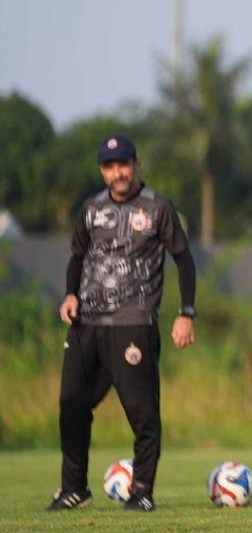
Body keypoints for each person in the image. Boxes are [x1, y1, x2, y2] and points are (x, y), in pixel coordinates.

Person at [50, 135, 196, 512]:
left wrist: (186, 313)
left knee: (142, 412)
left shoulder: (158, 208)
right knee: (71, 404)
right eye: (110, 166)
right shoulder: (91, 209)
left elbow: (183, 259)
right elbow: (77, 257)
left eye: (124, 164)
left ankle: (142, 491)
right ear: (102, 170)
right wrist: (70, 294)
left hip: (134, 324)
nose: (118, 173)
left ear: (136, 164)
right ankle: (74, 489)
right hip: (87, 324)